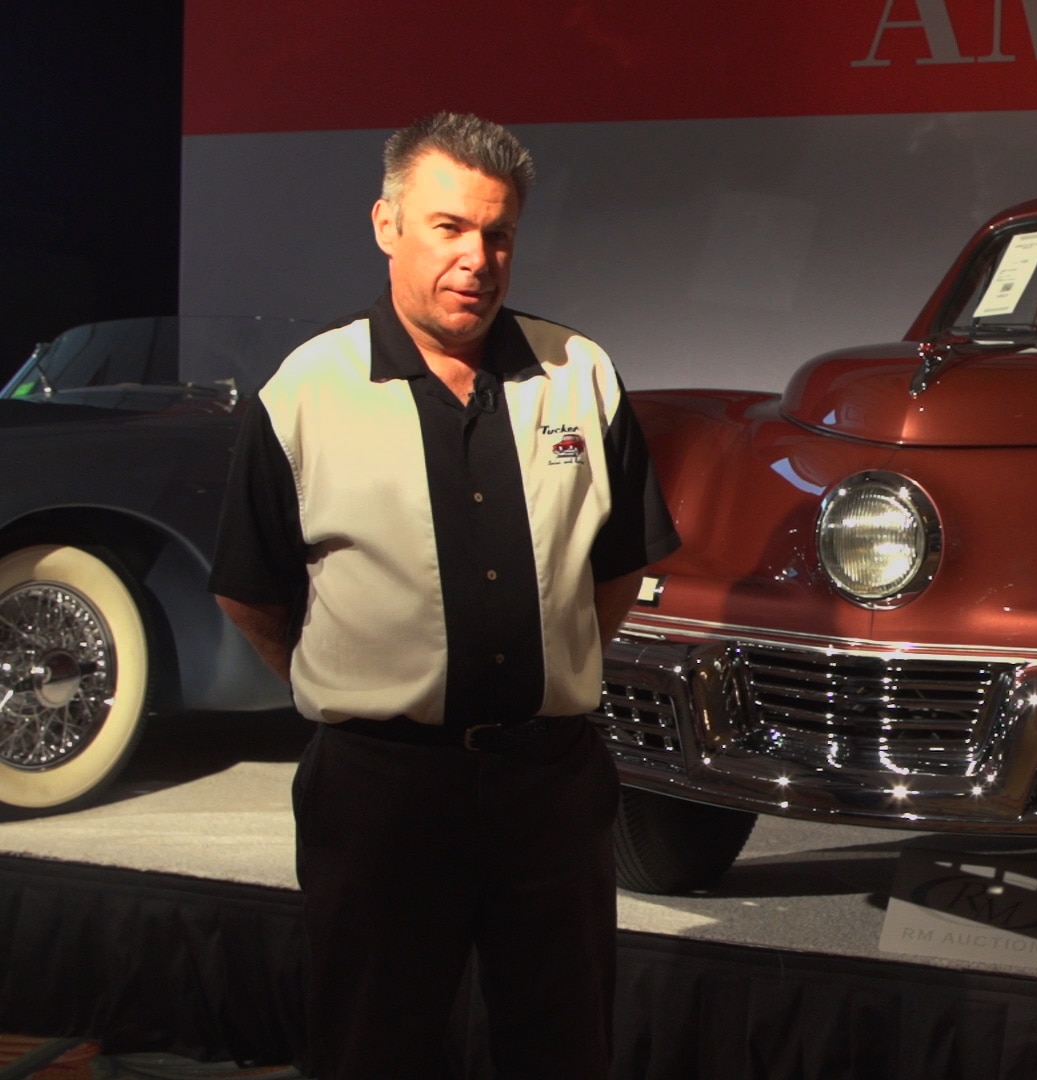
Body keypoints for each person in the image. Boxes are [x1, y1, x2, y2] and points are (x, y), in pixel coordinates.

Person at [210, 112, 677, 1078]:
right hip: (381, 795)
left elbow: (618, 566)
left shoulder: (579, 375)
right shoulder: (307, 391)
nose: (477, 257)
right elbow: (251, 592)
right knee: (370, 1048)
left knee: (563, 1049)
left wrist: (548, 669)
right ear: (387, 224)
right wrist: (353, 677)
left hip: (550, 789)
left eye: (497, 233)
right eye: (449, 228)